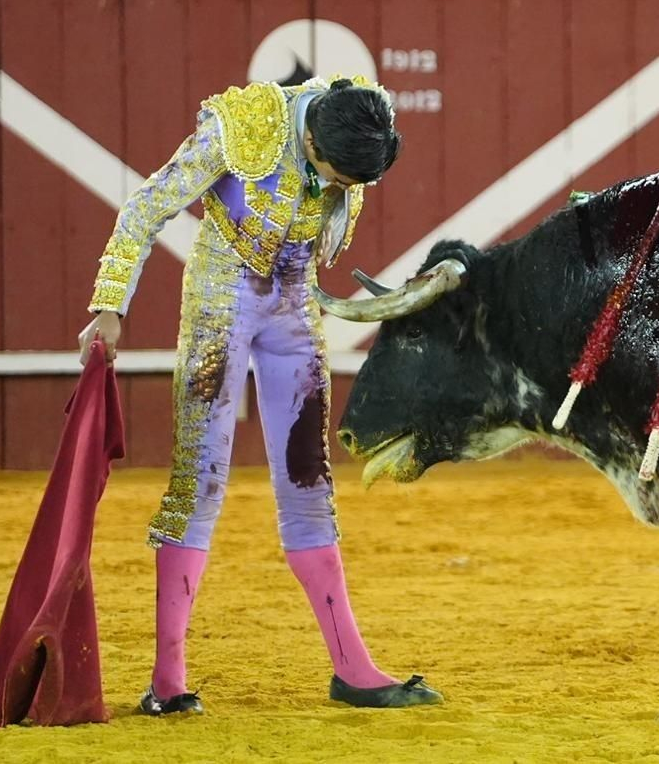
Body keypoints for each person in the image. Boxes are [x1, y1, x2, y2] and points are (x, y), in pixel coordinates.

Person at [76, 75, 442, 716]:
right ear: (311, 141)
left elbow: (328, 215)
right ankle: (168, 680)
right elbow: (147, 207)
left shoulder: (360, 124)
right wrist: (110, 305)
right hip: (222, 296)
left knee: (310, 482)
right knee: (199, 482)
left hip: (294, 303)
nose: (338, 189)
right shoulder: (245, 123)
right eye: (335, 177)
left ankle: (352, 668)